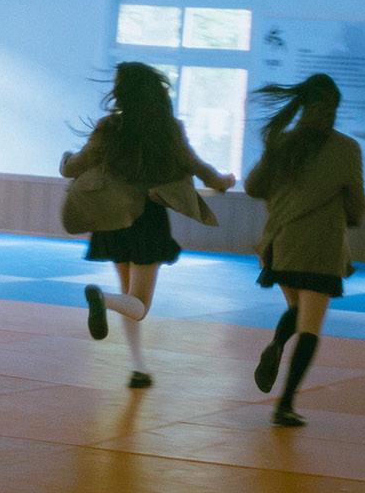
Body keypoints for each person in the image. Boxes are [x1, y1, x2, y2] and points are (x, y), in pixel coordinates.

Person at [62, 62, 235, 389]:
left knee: (129, 297)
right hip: (148, 219)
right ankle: (104, 300)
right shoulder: (168, 129)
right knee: (138, 304)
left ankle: (138, 367)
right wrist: (224, 181)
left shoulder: (108, 128)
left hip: (111, 219)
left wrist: (66, 159)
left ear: (122, 93)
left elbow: (74, 167)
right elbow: (197, 167)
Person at [245, 73, 365, 427]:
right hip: (322, 246)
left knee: (298, 310)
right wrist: (347, 214)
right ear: (334, 107)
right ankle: (285, 403)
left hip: (281, 242)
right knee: (310, 326)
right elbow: (356, 205)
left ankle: (276, 345)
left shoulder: (282, 141)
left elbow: (253, 186)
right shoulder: (346, 148)